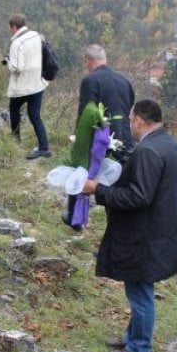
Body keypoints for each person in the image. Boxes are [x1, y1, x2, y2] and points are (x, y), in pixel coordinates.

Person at [82, 99, 177, 352]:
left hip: (145, 235)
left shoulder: (148, 151)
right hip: (160, 230)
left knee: (140, 293)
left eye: (130, 120)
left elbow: (138, 196)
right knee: (138, 288)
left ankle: (140, 348)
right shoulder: (171, 144)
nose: (130, 125)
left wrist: (99, 190)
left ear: (139, 119)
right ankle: (131, 337)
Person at [63, 44, 135, 229]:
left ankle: (75, 217)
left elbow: (87, 112)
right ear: (105, 58)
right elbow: (130, 108)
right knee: (117, 183)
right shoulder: (124, 80)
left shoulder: (90, 80)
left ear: (88, 61)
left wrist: (78, 138)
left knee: (82, 172)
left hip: (100, 136)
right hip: (125, 138)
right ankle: (116, 227)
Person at [4, 14, 51, 160]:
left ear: (13, 27)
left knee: (14, 109)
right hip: (37, 83)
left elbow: (17, 68)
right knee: (35, 116)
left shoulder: (17, 43)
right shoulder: (36, 36)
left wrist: (7, 62)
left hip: (23, 86)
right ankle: (44, 148)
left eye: (10, 28)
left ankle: (15, 139)